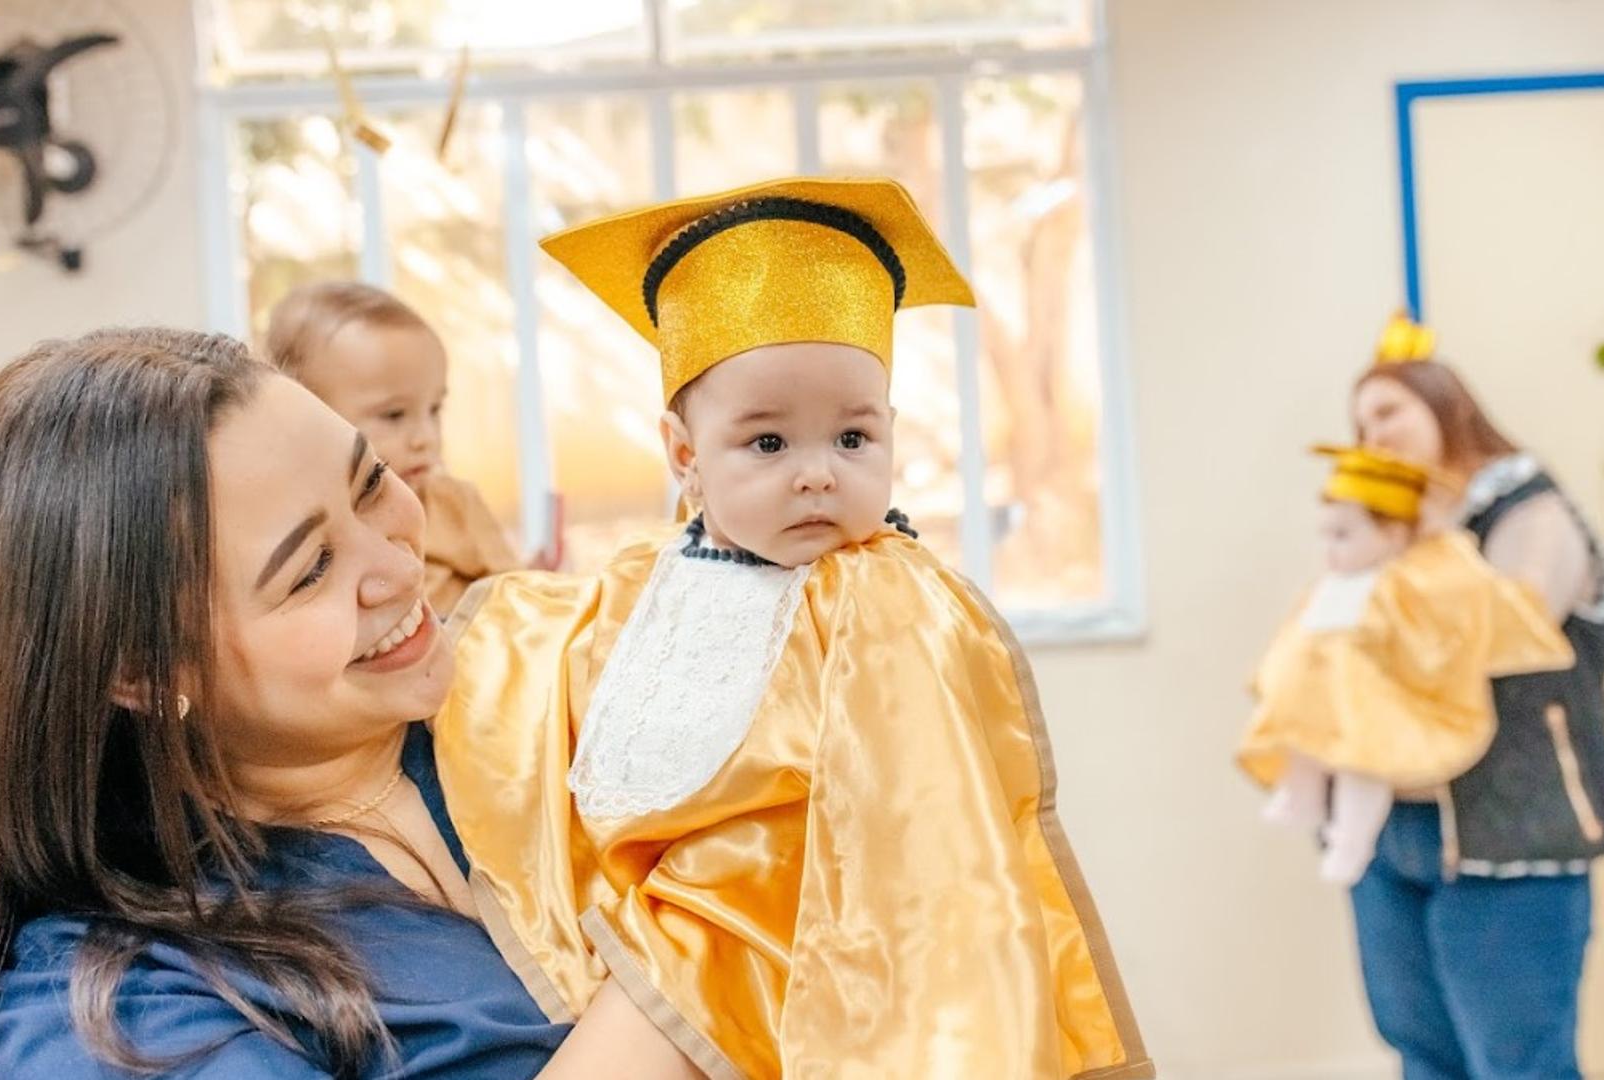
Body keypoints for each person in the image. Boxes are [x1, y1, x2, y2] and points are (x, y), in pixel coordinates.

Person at [433, 177, 1153, 1079]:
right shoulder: (646, 580)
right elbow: (545, 669)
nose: (817, 474)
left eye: (852, 439)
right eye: (769, 444)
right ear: (685, 455)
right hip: (649, 926)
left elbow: (938, 812)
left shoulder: (890, 597)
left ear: (889, 434)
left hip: (816, 940)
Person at [0, 328, 701, 1078]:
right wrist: (702, 929)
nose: (399, 570)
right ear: (148, 674)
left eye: (371, 485)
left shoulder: (549, 696)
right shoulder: (114, 1007)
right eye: (310, 570)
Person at [1345, 313, 1604, 1079]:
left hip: (1512, 841)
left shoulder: (1529, 511)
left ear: (1444, 402)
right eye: (1358, 423)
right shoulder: (1393, 538)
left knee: (1519, 1064)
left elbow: (1491, 637)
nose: (1371, 433)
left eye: (1386, 411)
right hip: (1393, 832)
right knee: (1424, 1057)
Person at [1238, 446, 1572, 885]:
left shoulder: (1413, 578)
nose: (1330, 550)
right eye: (1327, 535)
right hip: (1324, 700)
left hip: (1374, 707)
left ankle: (1350, 840)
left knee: (1364, 764)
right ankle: (1303, 795)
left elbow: (1443, 627)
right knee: (1300, 738)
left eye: (1342, 536)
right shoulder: (1331, 586)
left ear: (1394, 534)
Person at [264, 281, 556, 617]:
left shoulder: (453, 504)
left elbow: (518, 592)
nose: (426, 437)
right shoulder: (302, 536)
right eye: (394, 415)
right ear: (303, 420)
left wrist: (537, 577)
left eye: (435, 410)